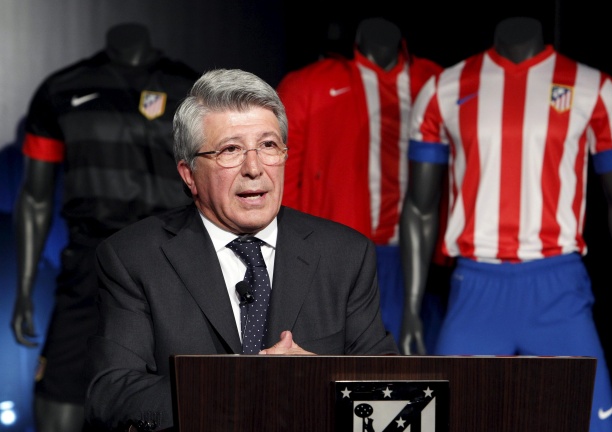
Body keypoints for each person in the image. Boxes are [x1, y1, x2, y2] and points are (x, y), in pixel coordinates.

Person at [84, 68, 398, 431]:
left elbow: (390, 394)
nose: (254, 168)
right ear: (189, 174)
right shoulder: (133, 258)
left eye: (268, 146)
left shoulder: (345, 255)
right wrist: (240, 386)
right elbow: (113, 395)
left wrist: (317, 378)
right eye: (230, 150)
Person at [399, 16, 612, 432]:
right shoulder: (444, 89)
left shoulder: (594, 89)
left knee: (595, 424)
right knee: (438, 421)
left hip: (558, 289)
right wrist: (412, 307)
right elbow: (419, 208)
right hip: (475, 289)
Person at [11, 23, 198, 432]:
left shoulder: (193, 91)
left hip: (174, 264)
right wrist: (24, 289)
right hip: (89, 264)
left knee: (186, 400)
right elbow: (35, 197)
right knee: (58, 403)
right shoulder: (62, 90)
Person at [276, 17, 445, 348]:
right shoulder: (307, 85)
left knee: (419, 363)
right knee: (339, 362)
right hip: (338, 252)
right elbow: (282, 179)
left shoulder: (437, 82)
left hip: (420, 253)